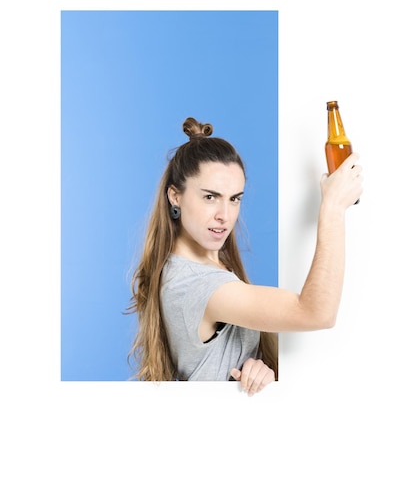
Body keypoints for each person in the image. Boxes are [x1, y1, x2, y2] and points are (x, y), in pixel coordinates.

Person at [127, 117, 363, 395]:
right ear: (175, 196)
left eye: (234, 198)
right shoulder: (195, 284)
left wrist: (262, 369)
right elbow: (317, 313)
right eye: (210, 197)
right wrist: (333, 207)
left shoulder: (199, 267)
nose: (224, 216)